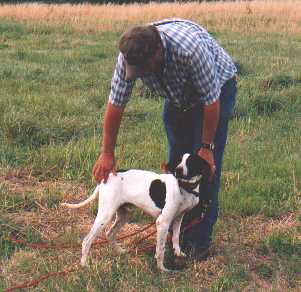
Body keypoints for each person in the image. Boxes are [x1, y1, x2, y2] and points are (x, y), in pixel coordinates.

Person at [92, 19, 237, 260]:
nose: (137, 76)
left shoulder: (190, 51)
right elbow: (116, 103)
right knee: (176, 166)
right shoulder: (129, 55)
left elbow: (212, 101)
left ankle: (197, 242)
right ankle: (173, 231)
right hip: (177, 95)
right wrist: (107, 152)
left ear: (157, 54)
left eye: (142, 72)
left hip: (217, 90)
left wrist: (207, 147)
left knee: (202, 167)